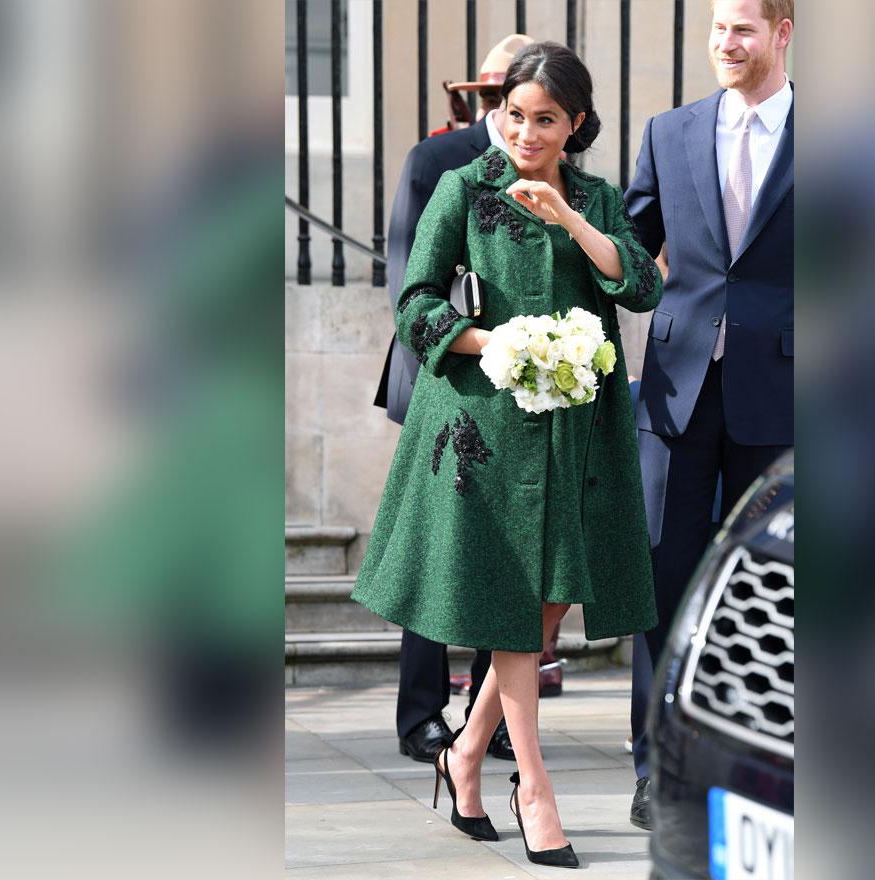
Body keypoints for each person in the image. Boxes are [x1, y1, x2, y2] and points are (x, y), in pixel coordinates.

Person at [352, 41, 662, 868]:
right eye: (515, 116)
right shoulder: (464, 187)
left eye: (546, 120)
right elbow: (416, 305)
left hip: (579, 434)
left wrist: (568, 218)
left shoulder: (594, 196)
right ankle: (533, 784)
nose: (526, 133)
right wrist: (498, 343)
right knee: (519, 613)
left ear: (576, 125)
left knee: (546, 610)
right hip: (485, 429)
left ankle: (462, 755)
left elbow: (639, 285)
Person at [623, 0, 794, 829]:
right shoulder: (669, 131)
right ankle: (659, 770)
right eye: (717, 28)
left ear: (782, 33)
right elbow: (628, 249)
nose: (726, 43)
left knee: (766, 586)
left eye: (743, 29)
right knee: (664, 576)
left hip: (787, 394)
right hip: (675, 392)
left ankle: (751, 773)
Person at [372, 33, 533, 766]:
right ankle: (420, 714)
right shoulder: (436, 159)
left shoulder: (553, 166)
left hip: (526, 395)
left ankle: (487, 717)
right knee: (439, 549)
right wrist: (468, 351)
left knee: (505, 555)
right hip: (444, 380)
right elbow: (409, 277)